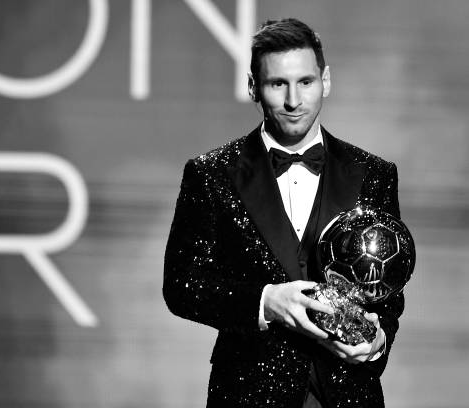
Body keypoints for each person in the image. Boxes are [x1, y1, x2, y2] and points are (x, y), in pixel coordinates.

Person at [163, 18, 405, 408]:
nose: (294, 100)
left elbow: (388, 289)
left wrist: (378, 342)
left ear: (325, 80)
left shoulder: (374, 174)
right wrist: (265, 301)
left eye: (306, 82)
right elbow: (181, 285)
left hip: (349, 392)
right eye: (278, 84)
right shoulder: (210, 174)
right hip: (247, 392)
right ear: (253, 87)